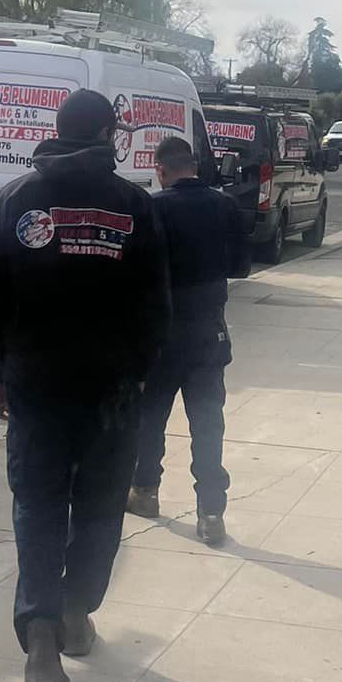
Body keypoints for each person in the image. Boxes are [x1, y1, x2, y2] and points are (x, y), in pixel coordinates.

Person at [0, 89, 169, 682]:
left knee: (37, 502)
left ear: (57, 132)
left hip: (37, 382)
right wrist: (140, 374)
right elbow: (154, 304)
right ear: (110, 134)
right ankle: (73, 611)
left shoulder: (19, 198)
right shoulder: (134, 205)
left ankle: (42, 630)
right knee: (98, 504)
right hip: (111, 388)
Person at [126, 132, 251, 544]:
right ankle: (211, 513)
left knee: (150, 419)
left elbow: (137, 273)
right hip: (207, 334)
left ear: (160, 170)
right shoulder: (224, 205)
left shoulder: (151, 208)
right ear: (194, 167)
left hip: (159, 335)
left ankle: (145, 491)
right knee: (207, 425)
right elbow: (241, 266)